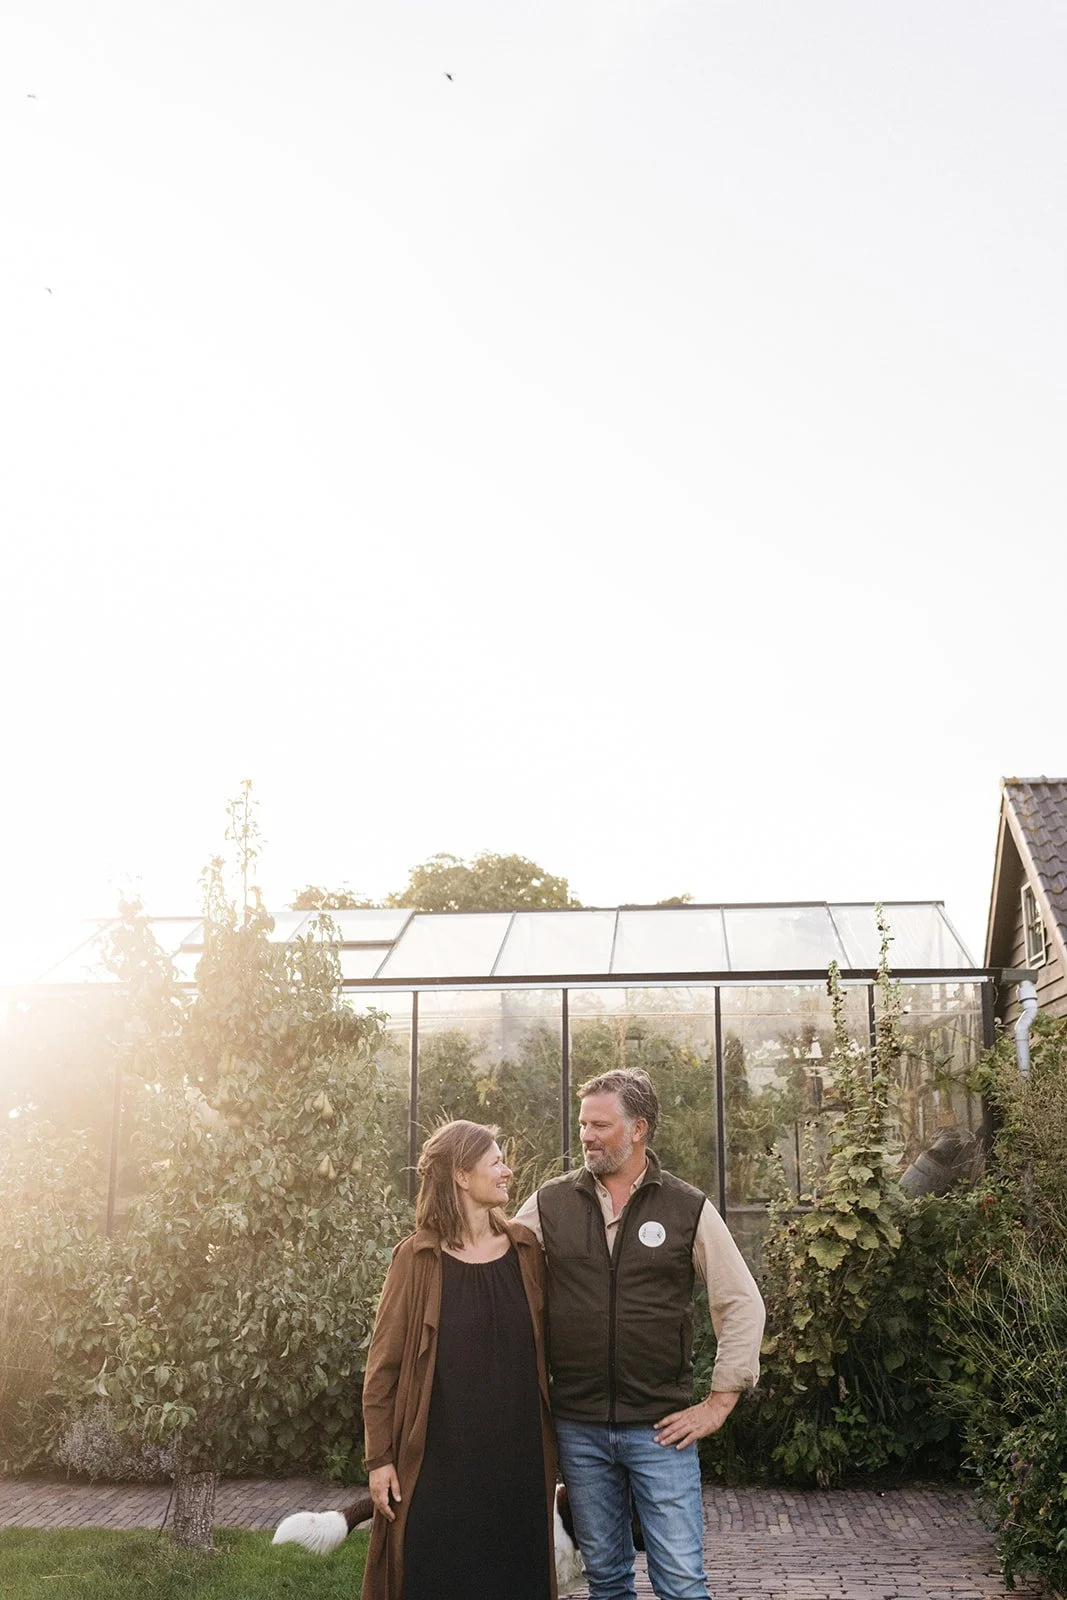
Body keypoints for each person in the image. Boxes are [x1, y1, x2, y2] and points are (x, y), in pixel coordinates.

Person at [514, 1068, 765, 1600]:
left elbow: (740, 1301)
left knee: (681, 1582)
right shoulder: (550, 1203)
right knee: (606, 1581)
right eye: (583, 1124)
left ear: (639, 1129)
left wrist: (719, 1403)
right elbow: (498, 1271)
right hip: (579, 1427)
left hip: (660, 1430)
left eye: (600, 1125)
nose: (586, 1136)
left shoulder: (686, 1207)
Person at [360, 1119, 558, 1600]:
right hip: (438, 1464)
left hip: (519, 1462)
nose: (507, 1171)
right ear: (462, 1176)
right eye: (496, 1162)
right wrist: (379, 1460)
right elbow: (382, 1367)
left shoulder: (526, 1250)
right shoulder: (417, 1259)